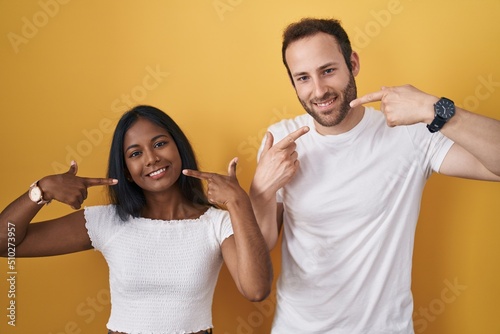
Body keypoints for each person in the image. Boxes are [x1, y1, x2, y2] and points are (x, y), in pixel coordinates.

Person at [249, 17, 500, 333]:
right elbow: (265, 241)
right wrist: (261, 190)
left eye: (328, 70)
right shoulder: (281, 139)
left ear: (352, 63)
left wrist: (437, 110)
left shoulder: (408, 133)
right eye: (303, 77)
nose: (319, 90)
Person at [0, 105, 272, 334]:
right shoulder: (107, 221)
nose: (152, 158)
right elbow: (6, 244)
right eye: (135, 153)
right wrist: (41, 190)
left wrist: (238, 202)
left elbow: (256, 289)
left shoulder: (215, 223)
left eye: (160, 143)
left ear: (179, 148)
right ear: (127, 171)